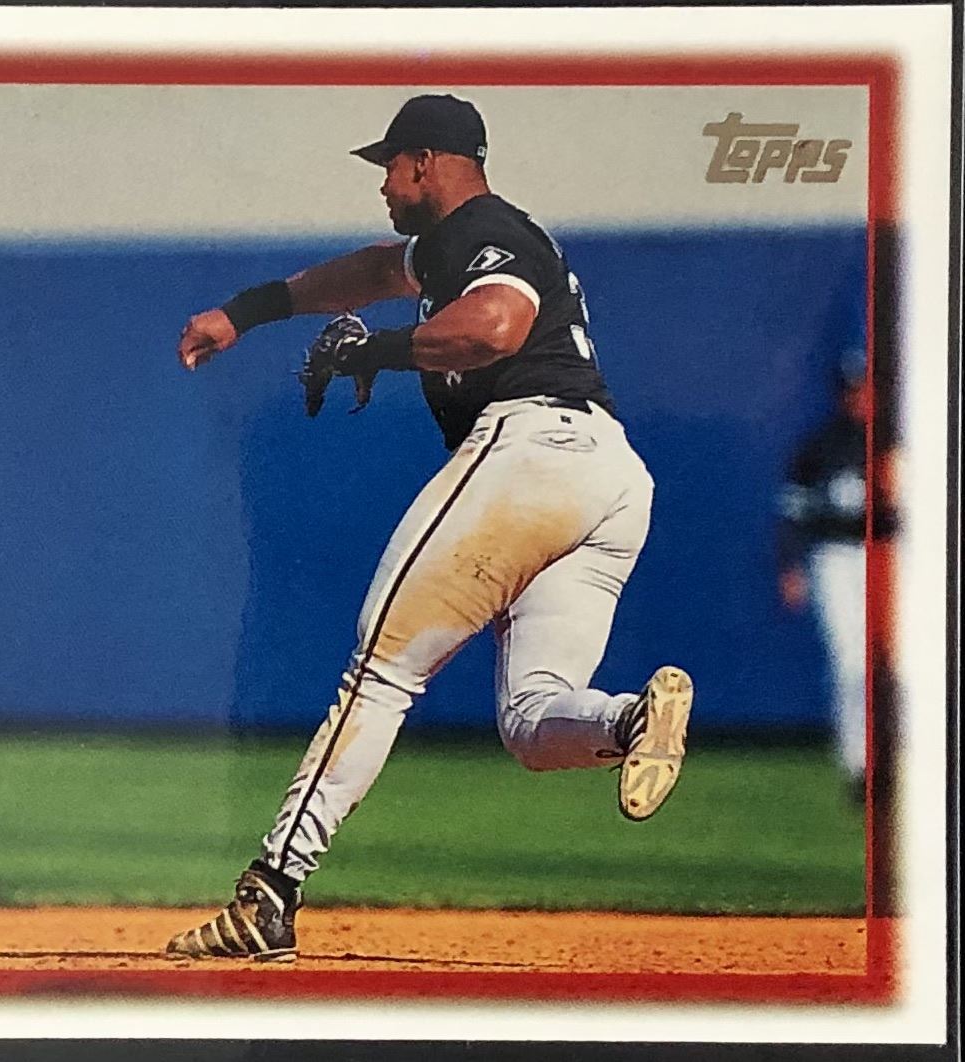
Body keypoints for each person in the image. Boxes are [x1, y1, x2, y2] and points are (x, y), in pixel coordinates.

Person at [166, 95, 692, 963]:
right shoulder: (455, 244)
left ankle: (270, 894)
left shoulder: (483, 228)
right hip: (611, 479)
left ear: (425, 163)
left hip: (535, 450)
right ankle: (633, 718)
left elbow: (497, 325)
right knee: (533, 722)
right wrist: (246, 311)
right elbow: (374, 271)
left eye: (390, 166)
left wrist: (373, 351)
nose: (382, 184)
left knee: (381, 667)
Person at [777, 351, 885, 803]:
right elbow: (792, 513)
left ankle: (901, 762)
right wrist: (789, 566)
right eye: (853, 387)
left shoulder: (895, 443)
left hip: (887, 557)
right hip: (835, 558)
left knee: (899, 668)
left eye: (866, 386)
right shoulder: (821, 445)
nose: (860, 395)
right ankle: (859, 766)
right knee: (850, 665)